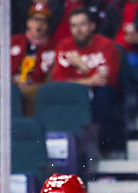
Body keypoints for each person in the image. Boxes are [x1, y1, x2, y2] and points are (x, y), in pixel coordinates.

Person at [50, 9, 125, 157]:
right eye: (73, 26)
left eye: (82, 25)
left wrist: (82, 66)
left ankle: (103, 150)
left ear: (92, 26)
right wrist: (88, 80)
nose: (78, 30)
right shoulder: (65, 46)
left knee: (104, 94)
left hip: (102, 94)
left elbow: (108, 80)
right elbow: (58, 80)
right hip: (73, 94)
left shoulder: (106, 45)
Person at [3, 3, 57, 116]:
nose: (39, 24)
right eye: (35, 19)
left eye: (43, 21)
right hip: (11, 86)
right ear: (28, 22)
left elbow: (51, 80)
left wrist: (32, 88)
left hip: (35, 90)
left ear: (48, 25)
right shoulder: (13, 41)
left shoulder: (54, 48)